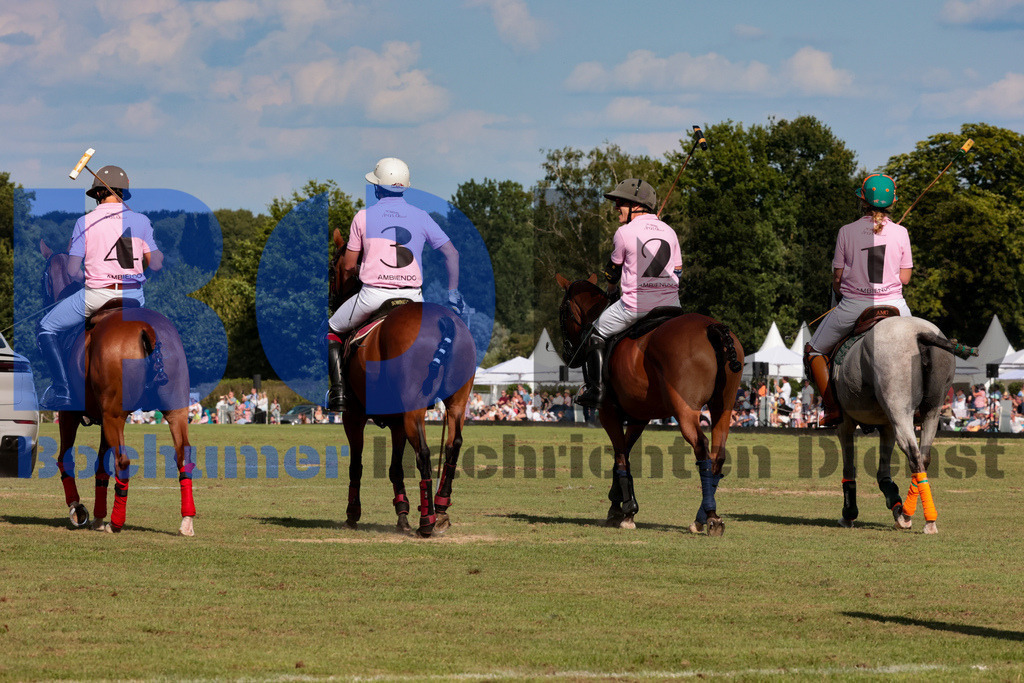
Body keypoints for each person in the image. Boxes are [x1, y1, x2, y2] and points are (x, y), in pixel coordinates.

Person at [326, 157, 463, 412]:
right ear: (405, 187)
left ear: (378, 187)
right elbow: (452, 253)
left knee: (331, 329)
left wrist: (365, 267)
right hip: (414, 299)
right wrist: (452, 294)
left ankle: (339, 394)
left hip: (373, 296)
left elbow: (347, 266)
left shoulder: (363, 216)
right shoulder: (421, 216)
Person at [36, 165, 163, 409]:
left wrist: (88, 276)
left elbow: (72, 271)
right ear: (123, 194)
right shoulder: (140, 221)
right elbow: (156, 264)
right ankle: (153, 380)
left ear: (97, 195)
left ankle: (62, 391)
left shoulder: (85, 222)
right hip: (135, 297)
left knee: (46, 327)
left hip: (98, 296)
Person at [805, 174, 913, 426]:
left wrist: (841, 288)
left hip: (854, 306)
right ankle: (917, 407)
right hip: (895, 305)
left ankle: (832, 409)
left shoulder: (846, 231)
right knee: (919, 351)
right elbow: (905, 278)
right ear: (891, 203)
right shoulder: (901, 232)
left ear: (863, 201)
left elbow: (838, 278)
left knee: (814, 350)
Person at [574, 178, 682, 408]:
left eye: (620, 202)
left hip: (636, 306)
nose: (615, 208)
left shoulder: (624, 232)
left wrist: (611, 290)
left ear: (636, 206)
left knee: (596, 332)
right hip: (672, 306)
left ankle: (596, 390)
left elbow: (612, 273)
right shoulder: (670, 232)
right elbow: (678, 271)